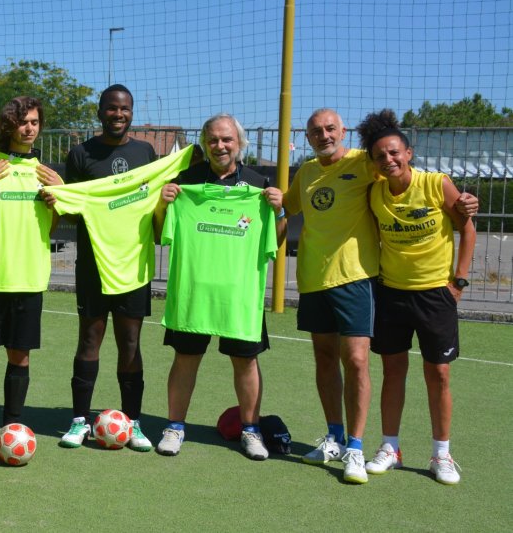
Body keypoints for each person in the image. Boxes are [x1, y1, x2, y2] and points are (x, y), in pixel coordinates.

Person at [285, 108, 477, 484]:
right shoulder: (311, 173)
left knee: (371, 362)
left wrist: (459, 281)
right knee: (344, 361)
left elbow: (464, 220)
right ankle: (353, 442)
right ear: (308, 138)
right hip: (339, 284)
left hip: (374, 283)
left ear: (342, 132)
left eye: (330, 129)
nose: (324, 135)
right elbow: (283, 207)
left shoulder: (374, 166)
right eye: (315, 131)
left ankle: (394, 450)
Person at [153, 113, 285, 461]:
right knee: (186, 358)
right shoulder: (185, 184)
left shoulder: (258, 188)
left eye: (226, 139)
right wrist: (163, 204)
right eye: (212, 140)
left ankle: (252, 430)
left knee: (246, 362)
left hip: (238, 296)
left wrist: (280, 213)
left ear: (239, 143)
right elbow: (160, 233)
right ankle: (175, 427)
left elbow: (275, 242)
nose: (220, 145)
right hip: (193, 293)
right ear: (204, 144)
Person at [357, 109, 475, 485]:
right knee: (393, 372)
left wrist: (459, 282)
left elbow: (467, 228)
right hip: (391, 294)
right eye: (380, 156)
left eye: (394, 152)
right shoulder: (374, 193)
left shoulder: (437, 184)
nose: (388, 160)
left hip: (436, 295)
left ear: (409, 152)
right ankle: (390, 447)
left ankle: (442, 453)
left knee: (438, 374)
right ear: (374, 164)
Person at [0, 96, 63, 456]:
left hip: (29, 279)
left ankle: (11, 424)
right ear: (8, 126)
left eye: (34, 121)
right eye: (23, 122)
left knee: (20, 357)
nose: (29, 127)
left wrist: (59, 199)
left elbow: (51, 226)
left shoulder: (47, 174)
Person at [55, 85, 156, 451]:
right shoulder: (81, 154)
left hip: (133, 264)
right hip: (94, 265)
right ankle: (80, 420)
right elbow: (71, 206)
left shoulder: (146, 152)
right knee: (89, 339)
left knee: (130, 343)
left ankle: (135, 422)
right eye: (111, 109)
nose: (118, 114)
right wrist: (59, 195)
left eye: (125, 109)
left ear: (132, 112)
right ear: (99, 112)